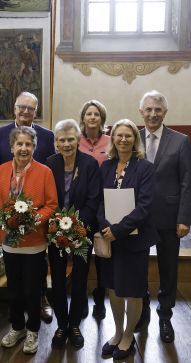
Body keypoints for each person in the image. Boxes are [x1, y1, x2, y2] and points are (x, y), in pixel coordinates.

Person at [0, 91, 56, 323]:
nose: (26, 111)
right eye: (22, 107)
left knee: (37, 269)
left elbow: (49, 174)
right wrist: (3, 223)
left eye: (31, 108)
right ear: (14, 108)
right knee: (16, 279)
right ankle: (18, 321)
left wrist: (33, 220)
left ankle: (41, 300)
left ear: (36, 112)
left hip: (36, 221)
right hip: (8, 215)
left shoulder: (48, 136)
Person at [97, 119, 158, 360]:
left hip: (134, 240)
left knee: (132, 290)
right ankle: (117, 331)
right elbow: (99, 200)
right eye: (119, 135)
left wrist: (119, 229)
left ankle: (129, 335)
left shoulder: (145, 168)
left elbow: (145, 206)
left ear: (135, 140)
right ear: (112, 139)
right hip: (109, 239)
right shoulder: (105, 167)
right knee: (113, 287)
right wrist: (104, 227)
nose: (123, 140)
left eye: (128, 136)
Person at [136, 90, 191, 343]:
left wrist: (184, 218)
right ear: (141, 112)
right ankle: (141, 313)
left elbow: (186, 182)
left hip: (169, 217)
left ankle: (165, 315)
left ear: (164, 113)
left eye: (157, 110)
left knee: (168, 269)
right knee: (138, 268)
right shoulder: (132, 138)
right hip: (136, 217)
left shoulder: (180, 141)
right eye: (148, 109)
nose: (152, 114)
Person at [45, 119, 101, 348]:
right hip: (54, 231)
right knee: (57, 279)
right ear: (56, 142)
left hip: (82, 230)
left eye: (70, 139)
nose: (66, 144)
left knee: (79, 279)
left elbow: (93, 199)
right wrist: (59, 227)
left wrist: (76, 227)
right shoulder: (49, 163)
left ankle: (75, 324)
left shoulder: (89, 164)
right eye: (62, 140)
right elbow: (46, 197)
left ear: (78, 140)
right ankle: (61, 324)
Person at [77, 99, 110, 320]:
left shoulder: (110, 140)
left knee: (103, 256)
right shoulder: (75, 140)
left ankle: (100, 296)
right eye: (89, 114)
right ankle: (80, 299)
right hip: (83, 205)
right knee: (83, 254)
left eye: (96, 114)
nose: (92, 117)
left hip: (106, 204)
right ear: (83, 117)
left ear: (102, 118)